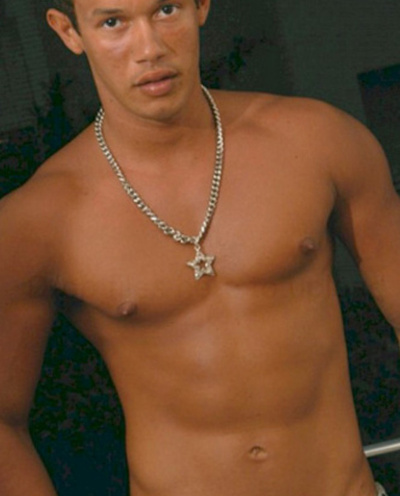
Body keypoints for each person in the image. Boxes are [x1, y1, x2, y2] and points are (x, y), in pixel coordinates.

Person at [0, 0, 398, 494]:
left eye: (166, 10)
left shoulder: (318, 140)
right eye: (113, 22)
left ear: (200, 5)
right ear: (68, 31)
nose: (150, 47)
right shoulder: (39, 220)